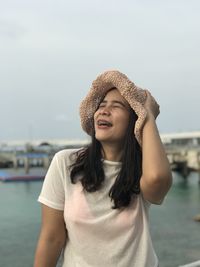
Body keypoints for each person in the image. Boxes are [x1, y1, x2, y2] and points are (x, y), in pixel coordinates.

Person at [34, 70, 172, 267]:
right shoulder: (65, 163)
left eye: (116, 106)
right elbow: (51, 238)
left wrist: (147, 115)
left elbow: (157, 179)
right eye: (101, 106)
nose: (103, 111)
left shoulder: (143, 169)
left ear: (134, 121)